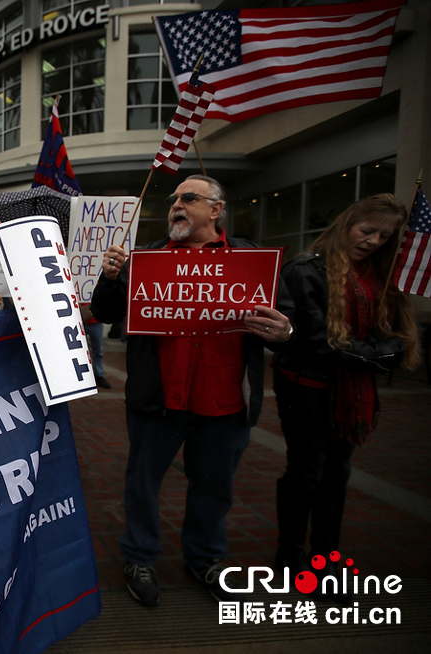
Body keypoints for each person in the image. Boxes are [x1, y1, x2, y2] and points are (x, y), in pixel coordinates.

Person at [91, 174, 294, 607]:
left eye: (189, 198)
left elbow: (286, 317)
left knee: (214, 486)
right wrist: (110, 278)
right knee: (143, 483)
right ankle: (140, 556)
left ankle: (205, 558)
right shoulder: (144, 260)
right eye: (173, 200)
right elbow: (105, 312)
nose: (176, 206)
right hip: (157, 399)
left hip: (223, 400)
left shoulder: (252, 261)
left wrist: (284, 329)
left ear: (216, 209)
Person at [272, 194, 420, 601]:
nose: (372, 241)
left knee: (337, 476)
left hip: (351, 393)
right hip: (308, 387)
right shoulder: (306, 269)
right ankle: (290, 558)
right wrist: (381, 355)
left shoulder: (378, 274)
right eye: (366, 230)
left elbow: (389, 336)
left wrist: (381, 351)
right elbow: (319, 342)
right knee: (307, 473)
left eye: (383, 235)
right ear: (347, 224)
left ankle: (325, 559)